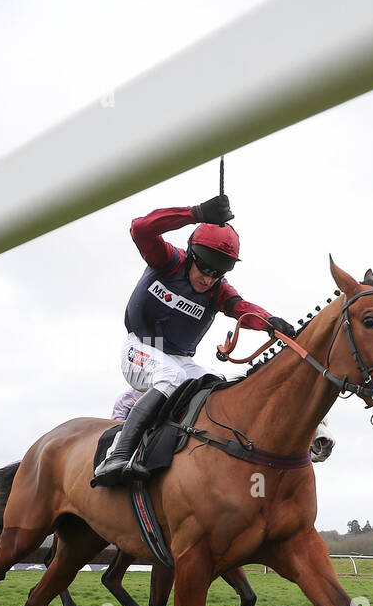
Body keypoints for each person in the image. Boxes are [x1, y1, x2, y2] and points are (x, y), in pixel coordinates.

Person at [93, 193, 295, 485]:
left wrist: (270, 322)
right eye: (205, 268)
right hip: (139, 347)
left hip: (178, 357)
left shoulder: (218, 291)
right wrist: (196, 213)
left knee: (217, 385)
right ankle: (117, 456)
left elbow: (242, 309)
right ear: (191, 255)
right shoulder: (167, 261)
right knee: (170, 375)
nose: (209, 279)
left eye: (219, 273)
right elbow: (140, 229)